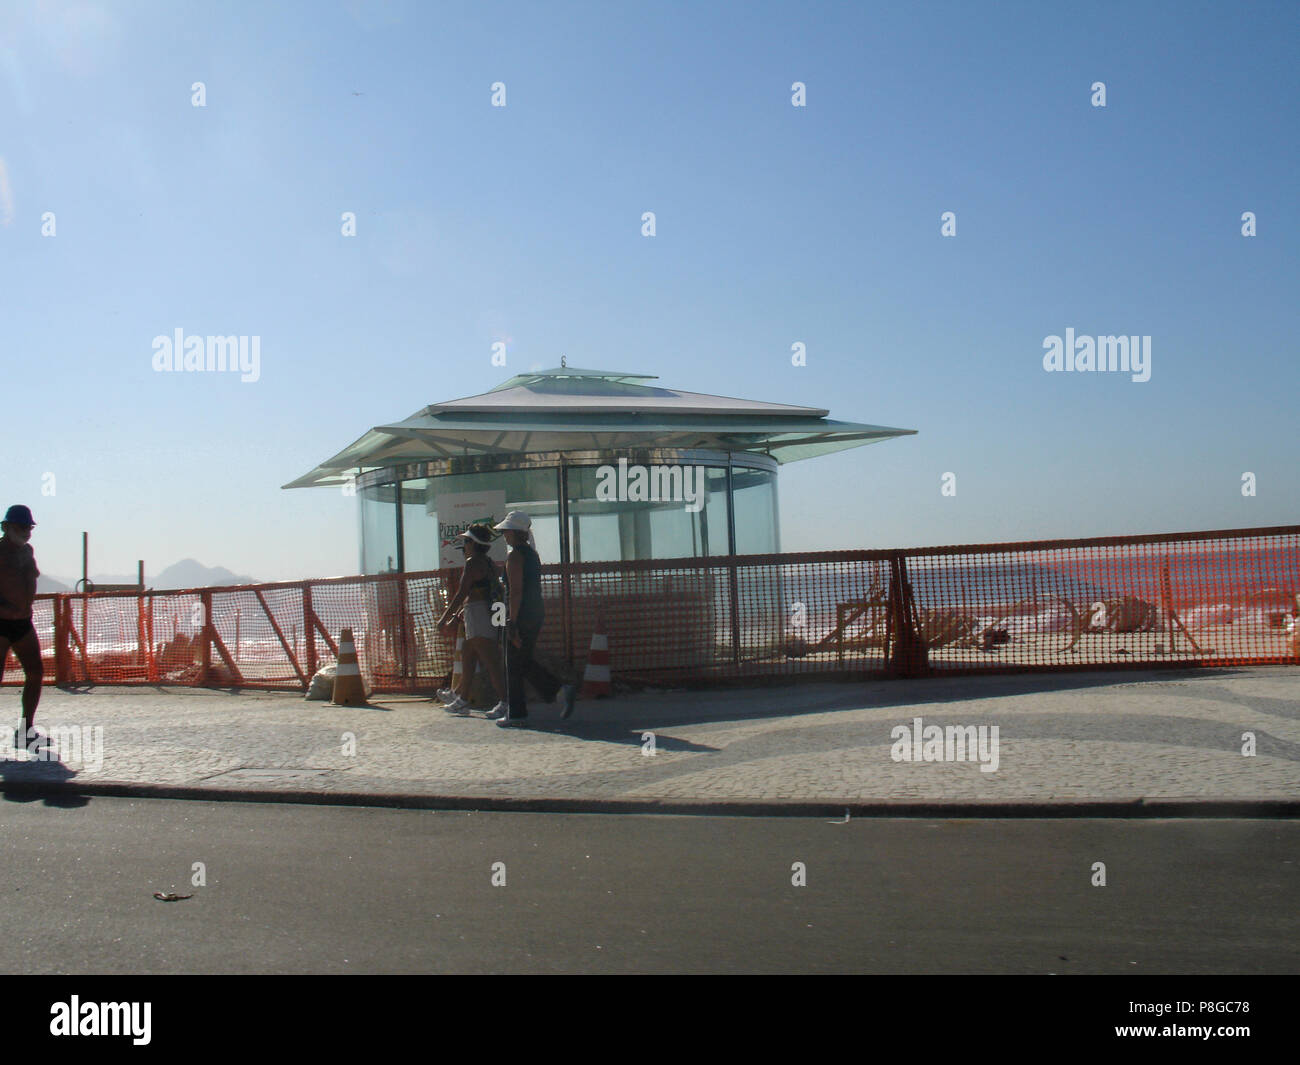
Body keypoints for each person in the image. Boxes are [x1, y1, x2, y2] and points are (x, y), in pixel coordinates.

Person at [493, 511, 575, 728]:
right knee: (523, 660)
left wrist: (511, 622)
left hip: (521, 614)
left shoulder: (515, 557)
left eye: (506, 531)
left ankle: (517, 713)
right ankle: (558, 691)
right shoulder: (532, 554)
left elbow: (515, 591)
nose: (504, 535)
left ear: (513, 532)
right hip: (535, 612)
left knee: (512, 663)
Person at [434, 525, 508, 718]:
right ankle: (461, 698)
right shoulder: (489, 563)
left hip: (478, 614)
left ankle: (506, 702)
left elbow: (462, 593)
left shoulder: (473, 563)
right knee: (468, 652)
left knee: (491, 661)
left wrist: (444, 618)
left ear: (474, 543)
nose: (464, 545)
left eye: (466, 541)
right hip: (486, 612)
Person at [0, 505, 44, 751]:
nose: (26, 532)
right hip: (1, 623)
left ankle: (26, 730)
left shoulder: (27, 551)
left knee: (36, 672)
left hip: (23, 622)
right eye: (20, 527)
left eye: (28, 528)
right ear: (6, 527)